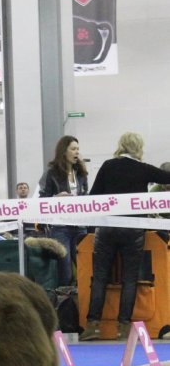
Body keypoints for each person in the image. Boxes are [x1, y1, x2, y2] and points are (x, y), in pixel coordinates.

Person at [79, 132, 170, 341]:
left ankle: (92, 325)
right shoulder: (143, 168)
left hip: (108, 227)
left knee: (100, 277)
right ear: (139, 148)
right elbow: (167, 178)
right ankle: (124, 327)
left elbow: (94, 196)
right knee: (130, 279)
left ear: (121, 146)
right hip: (133, 229)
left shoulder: (108, 166)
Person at [39, 136, 89, 286]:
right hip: (60, 227)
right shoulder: (51, 173)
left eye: (78, 149)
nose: (76, 152)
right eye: (73, 149)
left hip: (80, 226)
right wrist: (55, 198)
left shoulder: (81, 173)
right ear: (64, 151)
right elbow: (41, 200)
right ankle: (64, 301)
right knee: (65, 267)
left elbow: (86, 195)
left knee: (84, 265)